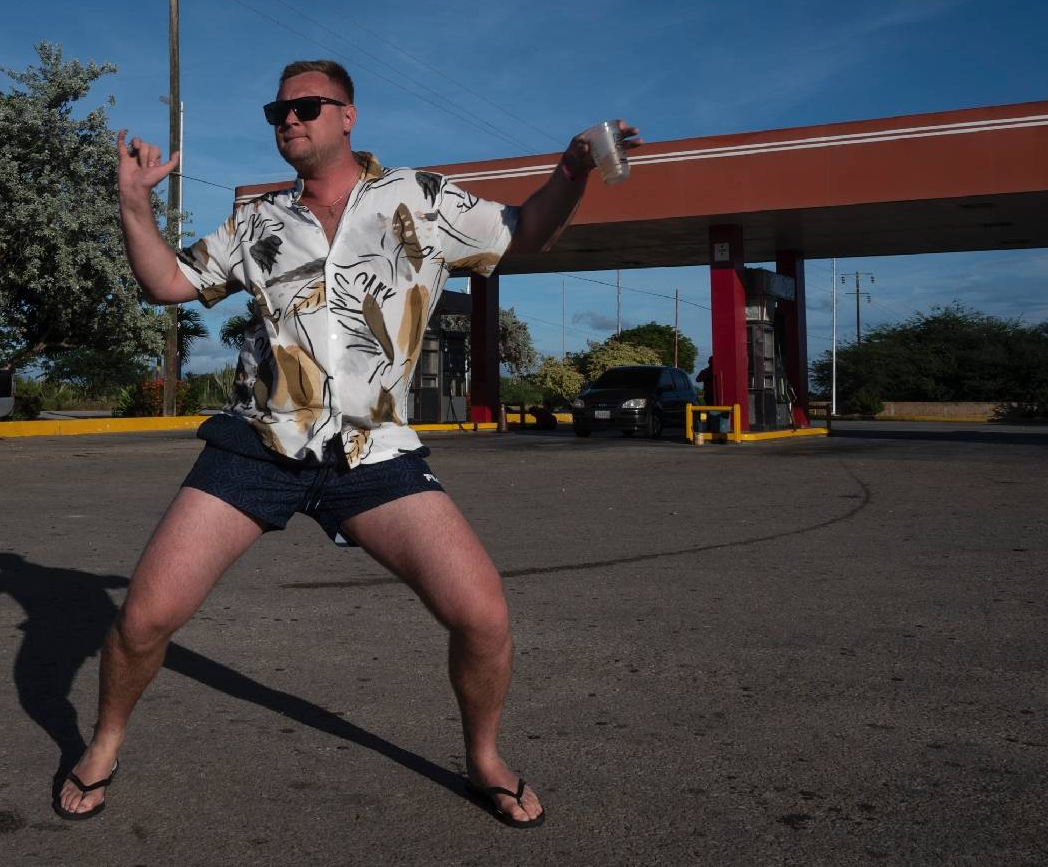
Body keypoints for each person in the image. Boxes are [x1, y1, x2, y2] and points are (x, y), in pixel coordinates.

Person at [53, 59, 637, 827]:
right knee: (141, 619)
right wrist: (133, 204)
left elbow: (526, 232)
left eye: (306, 105)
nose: (288, 119)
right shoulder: (257, 222)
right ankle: (104, 743)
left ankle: (483, 757)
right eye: (277, 109)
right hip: (259, 442)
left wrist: (572, 169)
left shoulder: (419, 200)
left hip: (373, 451)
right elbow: (167, 281)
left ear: (349, 115)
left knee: (483, 615)